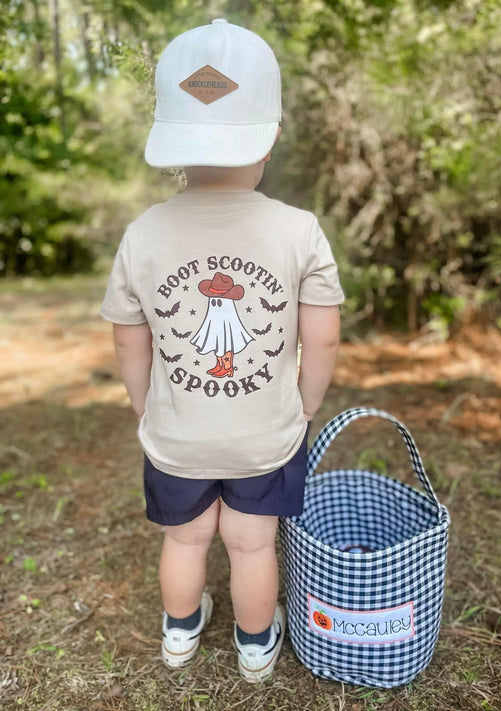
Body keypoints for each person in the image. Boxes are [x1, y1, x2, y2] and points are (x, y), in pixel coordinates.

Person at [100, 18, 344, 683]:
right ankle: (256, 642)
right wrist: (303, 406)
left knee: (184, 538)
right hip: (266, 432)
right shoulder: (298, 230)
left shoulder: (144, 232)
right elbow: (320, 333)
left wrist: (143, 405)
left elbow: (129, 333)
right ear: (270, 138)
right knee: (250, 541)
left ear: (171, 142)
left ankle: (179, 633)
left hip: (176, 432)